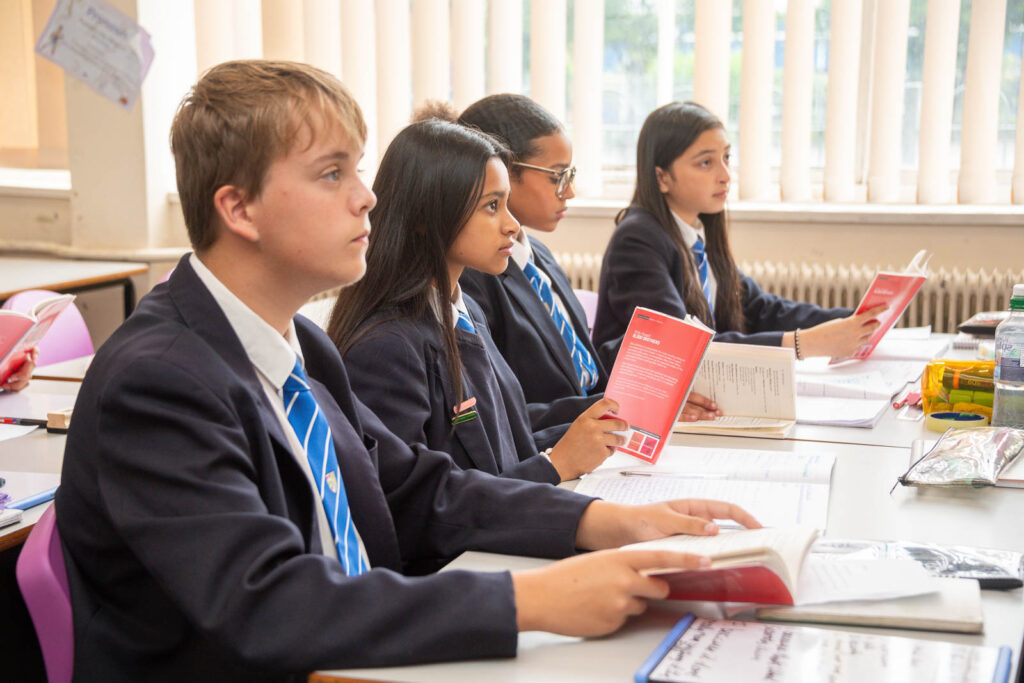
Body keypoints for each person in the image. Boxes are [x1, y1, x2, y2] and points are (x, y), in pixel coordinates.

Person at [55, 61, 758, 681]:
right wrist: (532, 601)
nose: (366, 197)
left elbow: (421, 489)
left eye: (358, 170)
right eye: (333, 174)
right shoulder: (159, 380)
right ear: (238, 207)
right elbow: (268, 601)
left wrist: (605, 522)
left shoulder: (300, 342)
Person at [328, 116, 624, 484]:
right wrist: (554, 466)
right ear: (426, 214)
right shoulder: (387, 348)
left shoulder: (466, 312)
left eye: (506, 204)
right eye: (491, 207)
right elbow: (421, 504)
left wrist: (589, 436)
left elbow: (505, 449)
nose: (512, 225)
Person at [457, 94, 721, 422]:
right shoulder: (473, 277)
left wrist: (653, 375)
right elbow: (501, 414)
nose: (570, 191)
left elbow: (585, 371)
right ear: (503, 173)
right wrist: (618, 408)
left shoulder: (539, 255)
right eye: (558, 176)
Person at [593, 101, 885, 367]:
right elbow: (678, 346)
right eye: (706, 162)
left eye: (727, 158)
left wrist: (854, 319)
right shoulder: (637, 240)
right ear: (662, 177)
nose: (725, 175)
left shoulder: (695, 234)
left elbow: (760, 308)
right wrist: (803, 344)